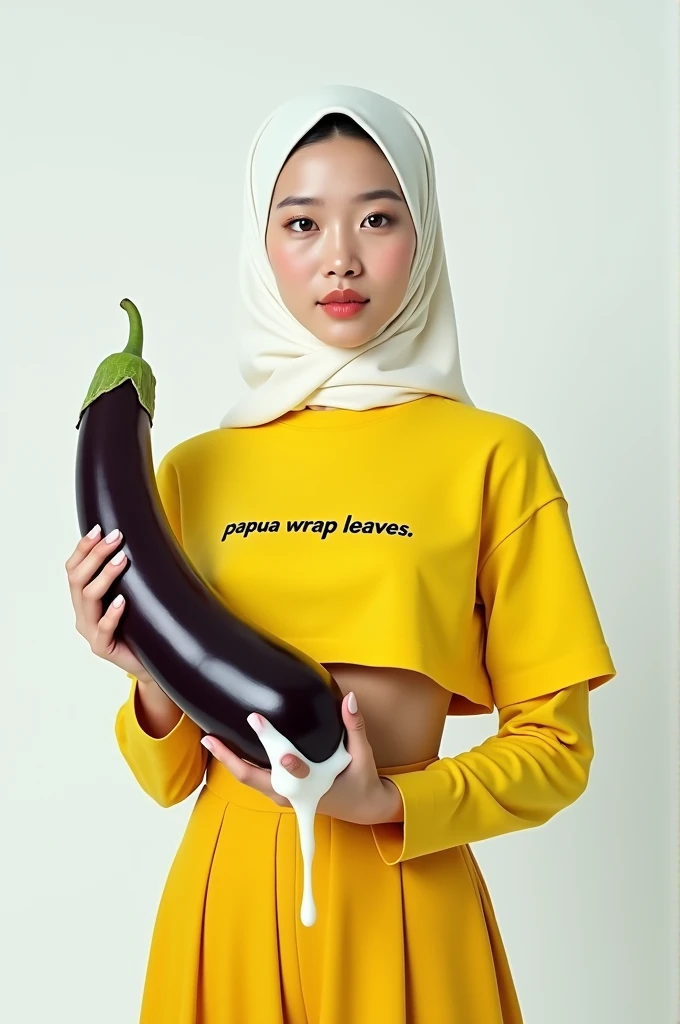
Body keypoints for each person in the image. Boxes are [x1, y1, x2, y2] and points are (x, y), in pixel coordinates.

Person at [65, 85, 617, 1023]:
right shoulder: (196, 469)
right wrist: (138, 663)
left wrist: (392, 803)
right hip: (227, 900)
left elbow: (557, 750)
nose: (341, 258)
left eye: (376, 217)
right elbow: (168, 778)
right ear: (261, 244)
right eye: (301, 223)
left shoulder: (495, 458)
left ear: (424, 234)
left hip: (408, 891)